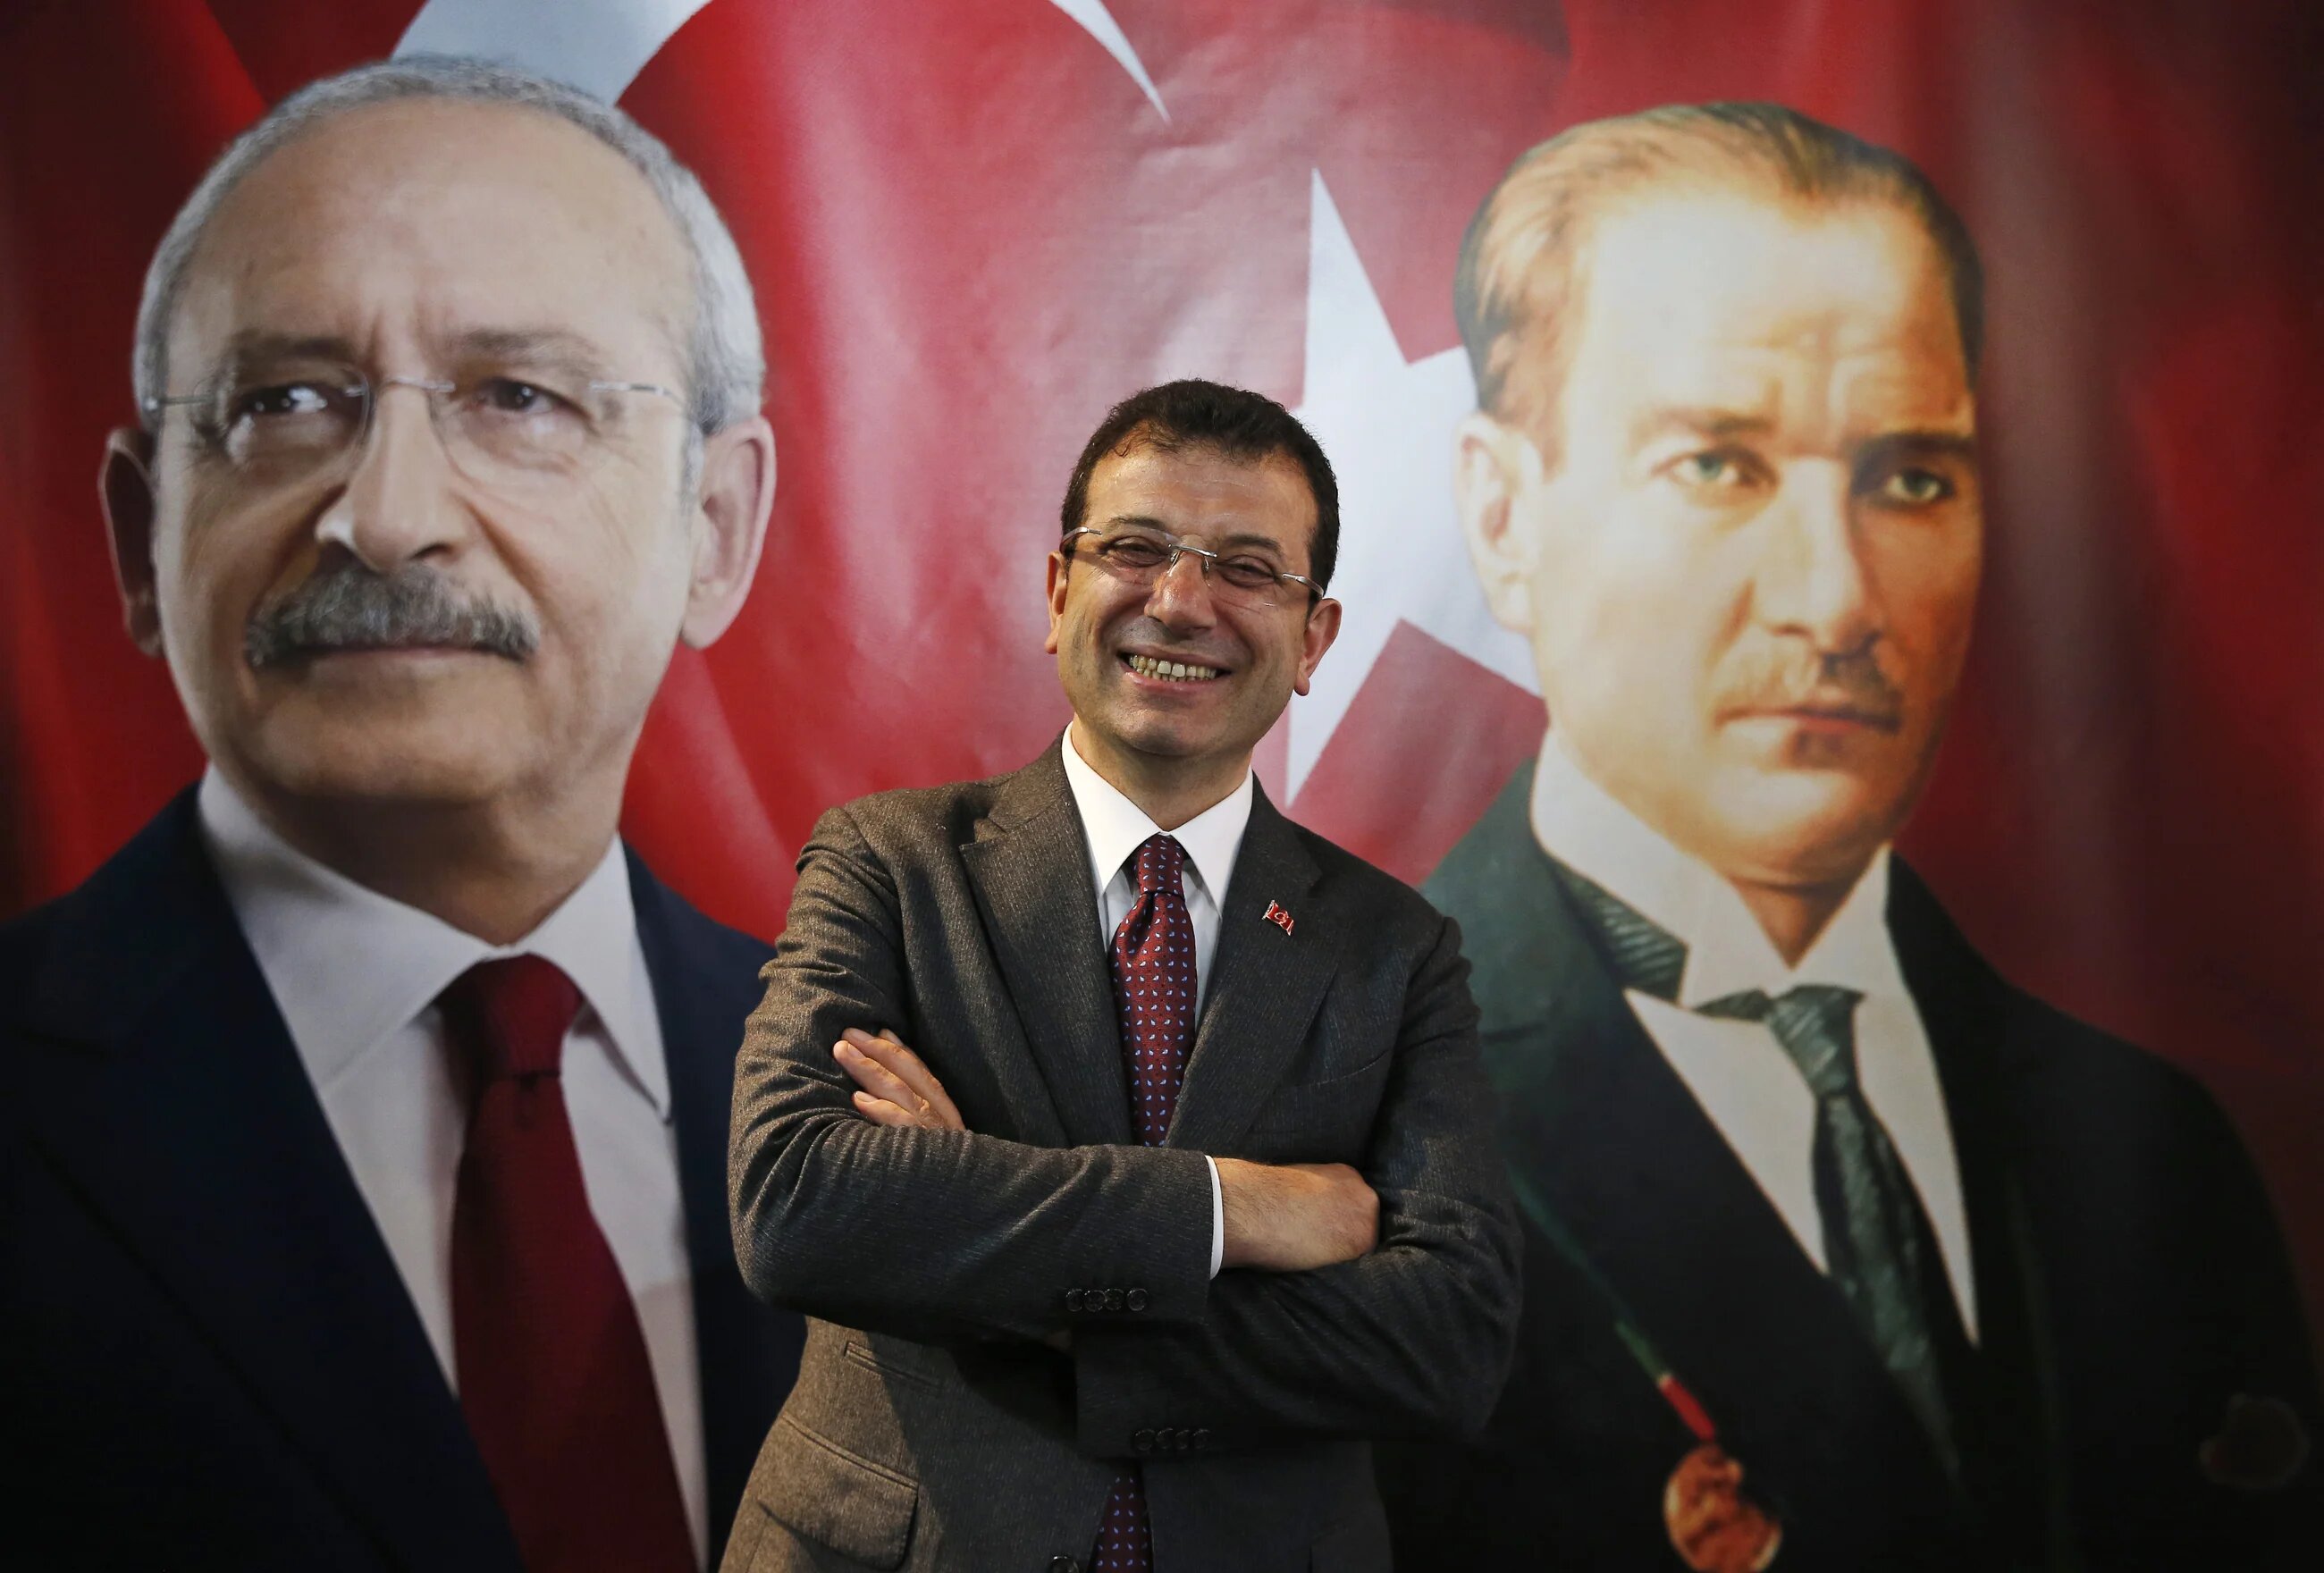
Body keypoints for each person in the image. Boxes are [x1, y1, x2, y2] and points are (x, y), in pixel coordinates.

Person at [1377, 101, 2321, 1571]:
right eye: (1720, 466)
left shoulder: (2150, 1150)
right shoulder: (1332, 1123)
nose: (1837, 601)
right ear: (1504, 519)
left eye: (1911, 480)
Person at [0, 57, 803, 1572]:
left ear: (715, 530)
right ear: (136, 536)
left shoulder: (943, 1118)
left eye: (520, 397)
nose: (385, 511)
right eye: (286, 401)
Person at [723, 379, 1521, 1571]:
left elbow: (1450, 1342)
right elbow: (799, 1209)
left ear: (1313, 640)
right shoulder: (886, 863)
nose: (1181, 601)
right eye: (1136, 548)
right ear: (1059, 593)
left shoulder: (1397, 951)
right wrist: (1230, 1209)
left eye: (1248, 568)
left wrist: (998, 1257)